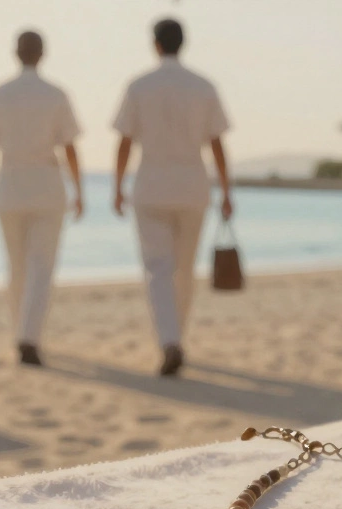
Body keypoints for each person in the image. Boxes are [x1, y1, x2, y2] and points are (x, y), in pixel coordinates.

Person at [112, 17, 233, 377]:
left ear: (156, 44)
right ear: (183, 43)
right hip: (193, 186)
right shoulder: (202, 86)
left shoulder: (139, 85)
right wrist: (227, 190)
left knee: (157, 270)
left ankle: (169, 340)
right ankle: (175, 337)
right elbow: (217, 143)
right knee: (183, 269)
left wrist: (117, 186)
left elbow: (125, 140)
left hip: (150, 186)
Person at [0, 30, 83, 367]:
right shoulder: (55, 94)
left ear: (15, 53)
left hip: (9, 185)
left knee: (17, 265)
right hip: (47, 185)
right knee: (41, 267)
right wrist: (79, 189)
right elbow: (69, 146)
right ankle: (28, 336)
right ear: (42, 54)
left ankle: (22, 333)